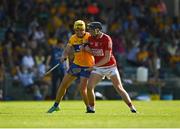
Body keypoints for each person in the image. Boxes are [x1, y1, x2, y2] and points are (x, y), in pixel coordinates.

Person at [85, 22, 137, 113]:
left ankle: (132, 107)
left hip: (110, 67)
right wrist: (84, 48)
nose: (89, 31)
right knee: (89, 87)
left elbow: (107, 58)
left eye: (91, 29)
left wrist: (94, 66)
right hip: (98, 68)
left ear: (97, 30)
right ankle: (92, 108)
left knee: (119, 88)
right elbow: (87, 48)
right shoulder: (90, 38)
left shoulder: (107, 39)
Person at [47, 20, 94, 113]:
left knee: (82, 88)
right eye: (77, 30)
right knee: (63, 84)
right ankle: (56, 105)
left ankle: (88, 107)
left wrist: (85, 48)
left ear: (84, 29)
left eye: (81, 30)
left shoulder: (89, 37)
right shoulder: (73, 38)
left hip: (87, 66)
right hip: (76, 65)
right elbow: (67, 49)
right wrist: (64, 55)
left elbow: (94, 51)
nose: (79, 32)